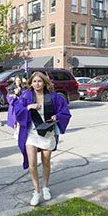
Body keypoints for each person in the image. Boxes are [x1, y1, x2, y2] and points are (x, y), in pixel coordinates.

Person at [15, 72, 71, 206]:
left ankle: (45, 187)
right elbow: (17, 111)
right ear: (30, 83)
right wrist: (29, 107)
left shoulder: (54, 97)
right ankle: (37, 191)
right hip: (31, 133)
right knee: (32, 163)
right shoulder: (26, 96)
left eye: (40, 81)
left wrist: (56, 117)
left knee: (46, 162)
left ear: (45, 82)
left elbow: (64, 112)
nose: (37, 84)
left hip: (47, 133)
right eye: (34, 81)